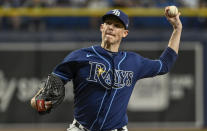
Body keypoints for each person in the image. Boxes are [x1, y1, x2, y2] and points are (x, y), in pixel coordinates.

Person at [31, 7, 182, 131]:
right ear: (102, 27)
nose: (111, 27)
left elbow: (165, 64)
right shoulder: (80, 56)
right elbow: (51, 84)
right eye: (108, 23)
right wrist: (37, 100)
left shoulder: (134, 62)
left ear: (125, 33)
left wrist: (177, 28)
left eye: (117, 25)